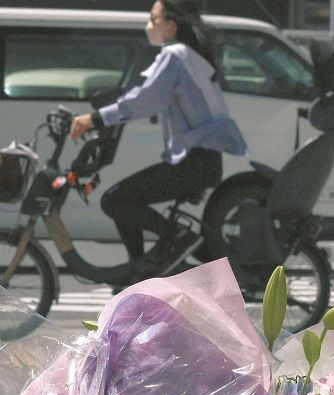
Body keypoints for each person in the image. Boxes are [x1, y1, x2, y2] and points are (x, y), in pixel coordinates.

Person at [70, 0, 247, 266]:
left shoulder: (174, 55)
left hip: (192, 162)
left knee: (115, 200)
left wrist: (95, 118)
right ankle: (139, 268)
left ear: (170, 26)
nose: (148, 25)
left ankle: (174, 236)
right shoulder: (189, 55)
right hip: (201, 161)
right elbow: (143, 95)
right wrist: (111, 112)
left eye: (153, 19)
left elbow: (147, 99)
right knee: (122, 198)